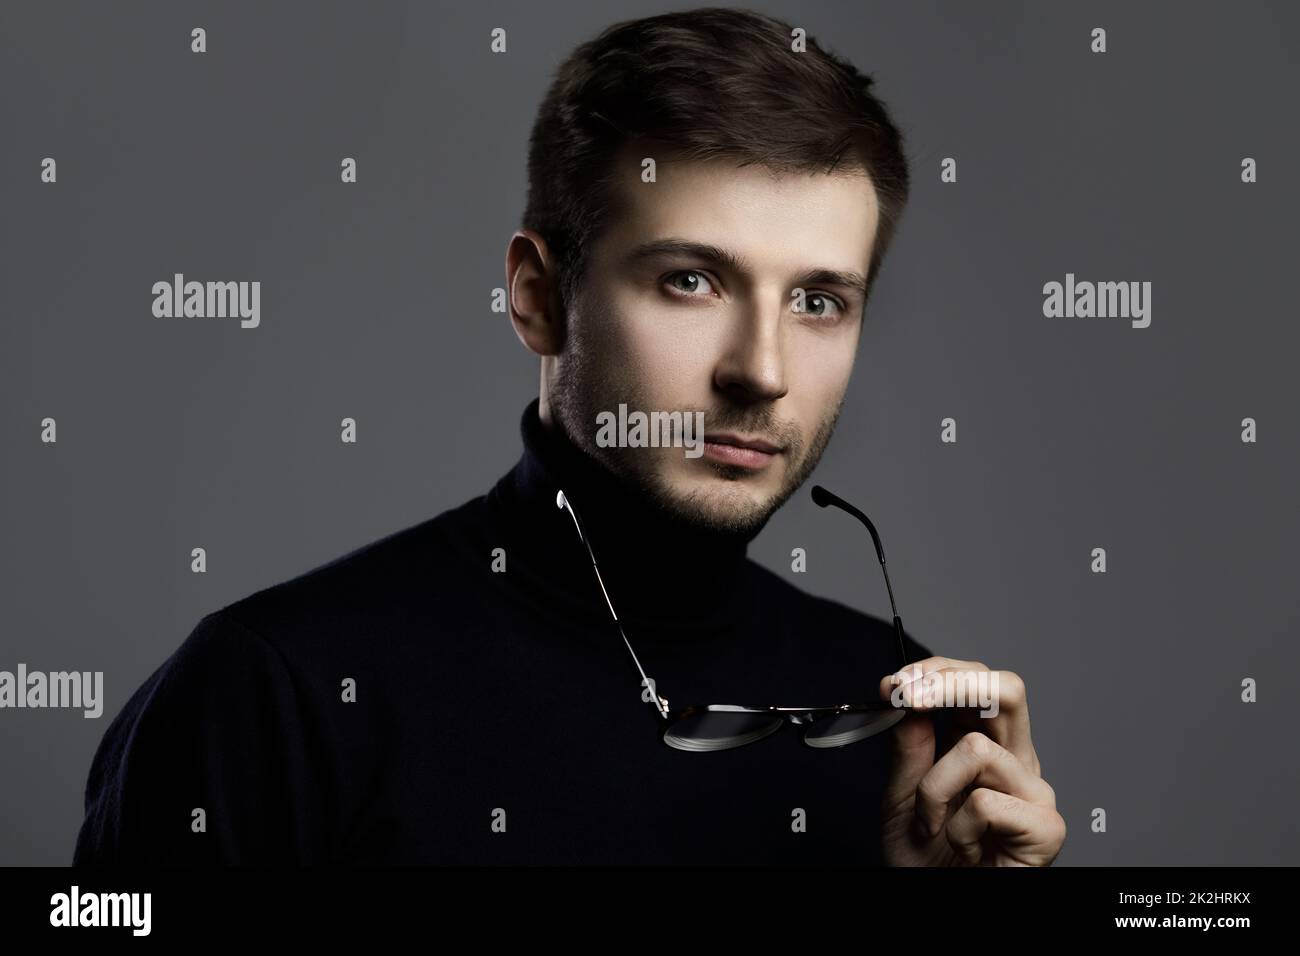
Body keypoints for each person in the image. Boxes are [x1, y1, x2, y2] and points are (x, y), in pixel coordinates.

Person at [74, 7, 1064, 866]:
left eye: (817, 299)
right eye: (690, 279)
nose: (761, 369)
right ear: (539, 297)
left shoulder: (905, 723)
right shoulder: (273, 692)